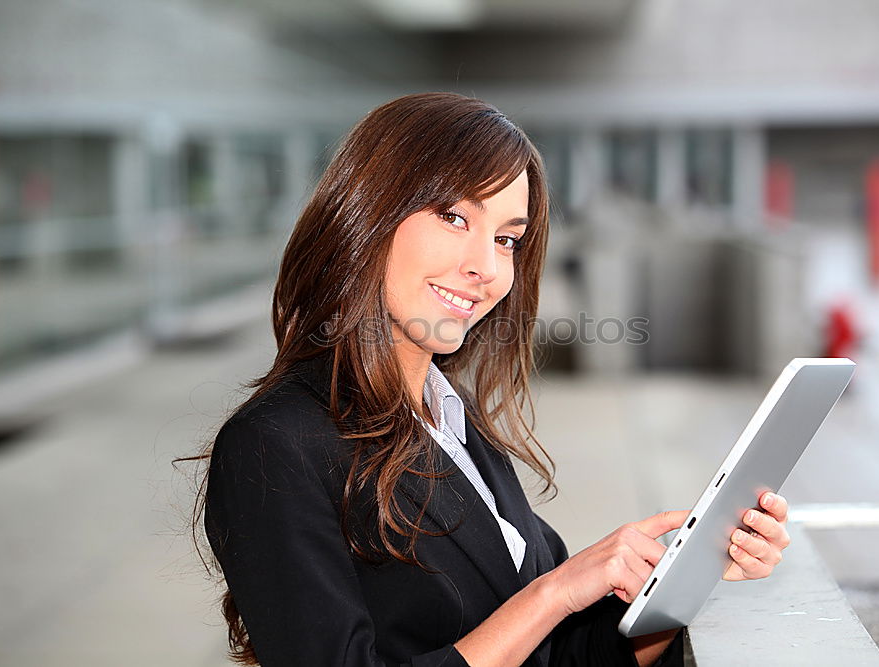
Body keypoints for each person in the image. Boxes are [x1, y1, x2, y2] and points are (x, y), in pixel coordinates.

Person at [193, 92, 791, 667]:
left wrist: (683, 581)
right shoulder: (274, 445)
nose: (486, 266)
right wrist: (552, 593)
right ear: (367, 216)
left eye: (506, 238)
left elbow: (558, 655)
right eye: (455, 217)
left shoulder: (452, 420)